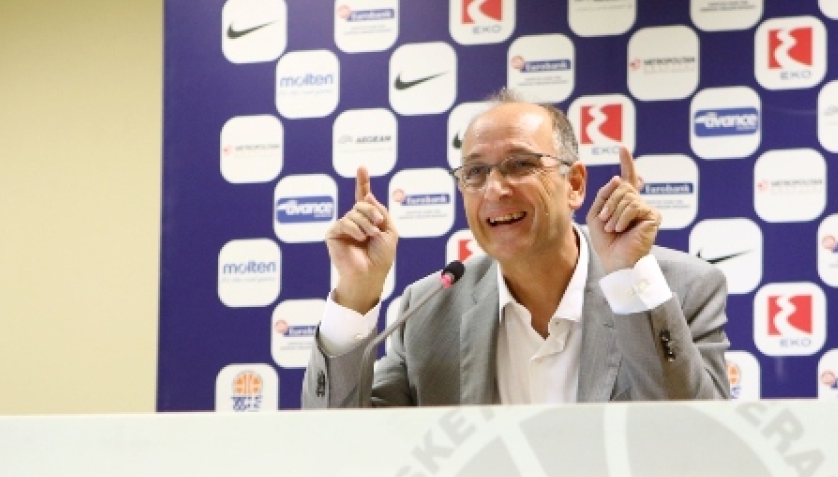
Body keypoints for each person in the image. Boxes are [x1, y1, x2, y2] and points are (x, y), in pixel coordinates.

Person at [302, 90, 730, 408]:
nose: (495, 189)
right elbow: (343, 446)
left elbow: (699, 437)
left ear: (574, 184)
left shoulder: (681, 290)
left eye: (521, 165)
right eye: (475, 172)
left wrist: (629, 281)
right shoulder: (430, 311)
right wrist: (356, 293)